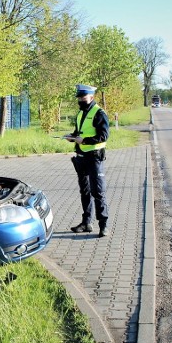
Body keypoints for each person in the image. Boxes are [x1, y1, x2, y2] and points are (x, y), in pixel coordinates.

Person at [66, 84, 109, 237]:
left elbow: (103, 136)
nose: (80, 100)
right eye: (79, 97)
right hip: (81, 158)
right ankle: (86, 223)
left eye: (83, 97)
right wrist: (72, 137)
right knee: (85, 192)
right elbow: (79, 132)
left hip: (94, 157)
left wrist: (84, 141)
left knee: (98, 192)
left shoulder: (99, 113)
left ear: (91, 97)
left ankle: (103, 225)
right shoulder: (80, 114)